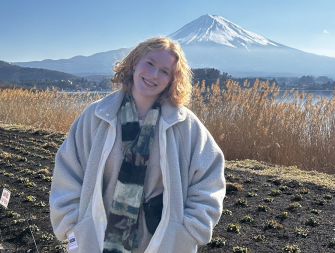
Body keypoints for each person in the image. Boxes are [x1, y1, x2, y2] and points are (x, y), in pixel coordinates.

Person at [49, 37, 226, 253]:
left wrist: (189, 232)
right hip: (95, 241)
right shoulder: (96, 117)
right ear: (134, 64)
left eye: (164, 71)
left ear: (172, 79)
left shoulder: (184, 125)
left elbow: (210, 178)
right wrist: (72, 226)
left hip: (163, 244)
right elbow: (67, 172)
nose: (153, 74)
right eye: (149, 63)